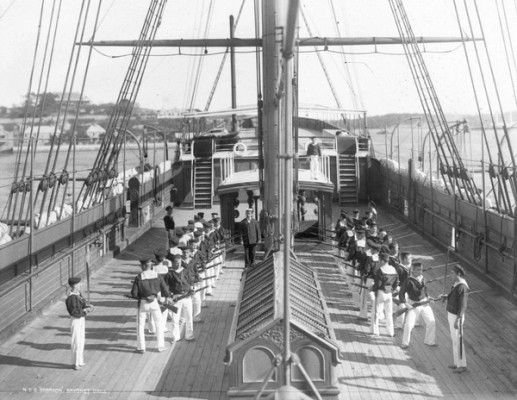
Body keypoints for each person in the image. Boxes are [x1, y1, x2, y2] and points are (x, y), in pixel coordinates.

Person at [131, 260, 170, 353]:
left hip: (143, 303)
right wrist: (165, 298)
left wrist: (140, 296)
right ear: (150, 266)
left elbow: (134, 293)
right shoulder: (158, 276)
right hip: (154, 302)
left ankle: (141, 347)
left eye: (141, 265)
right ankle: (161, 346)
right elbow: (165, 290)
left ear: (144, 266)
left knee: (140, 325)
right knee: (159, 324)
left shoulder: (139, 277)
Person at [400, 262, 436, 349]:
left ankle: (429, 341)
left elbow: (425, 289)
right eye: (418, 270)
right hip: (413, 304)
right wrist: (405, 303)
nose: (420, 272)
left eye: (421, 269)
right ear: (412, 270)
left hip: (424, 303)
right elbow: (401, 293)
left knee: (431, 321)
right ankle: (405, 343)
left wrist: (428, 297)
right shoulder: (408, 281)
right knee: (408, 324)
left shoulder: (423, 278)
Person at [441, 265, 469, 373]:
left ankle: (462, 365)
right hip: (452, 314)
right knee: (454, 339)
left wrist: (459, 319)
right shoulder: (456, 284)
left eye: (453, 273)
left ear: (459, 274)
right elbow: (454, 296)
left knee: (459, 340)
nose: (450, 275)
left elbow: (463, 305)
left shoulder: (462, 287)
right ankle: (457, 362)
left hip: (457, 316)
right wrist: (446, 297)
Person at [164, 254, 195, 342]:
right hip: (175, 298)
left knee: (189, 317)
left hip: (187, 296)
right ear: (172, 263)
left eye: (180, 262)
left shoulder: (185, 271)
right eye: (176, 262)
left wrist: (192, 288)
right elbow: (165, 287)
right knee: (175, 319)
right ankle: (175, 337)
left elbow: (191, 281)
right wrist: (168, 297)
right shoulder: (169, 274)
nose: (178, 264)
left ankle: (189, 335)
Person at [65, 277, 93, 371]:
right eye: (78, 284)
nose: (80, 285)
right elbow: (74, 312)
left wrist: (87, 306)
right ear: (75, 285)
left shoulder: (78, 294)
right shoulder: (71, 297)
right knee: (76, 341)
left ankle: (79, 360)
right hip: (76, 320)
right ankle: (75, 363)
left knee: (81, 340)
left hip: (81, 319)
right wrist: (84, 311)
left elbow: (82, 304)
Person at [370, 253, 399, 337]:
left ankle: (375, 331)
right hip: (389, 293)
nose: (378, 262)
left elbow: (378, 284)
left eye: (379, 260)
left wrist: (372, 289)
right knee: (389, 313)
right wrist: (391, 289)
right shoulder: (393, 269)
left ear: (382, 261)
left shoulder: (381, 270)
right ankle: (390, 332)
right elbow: (396, 282)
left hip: (380, 293)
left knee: (375, 312)